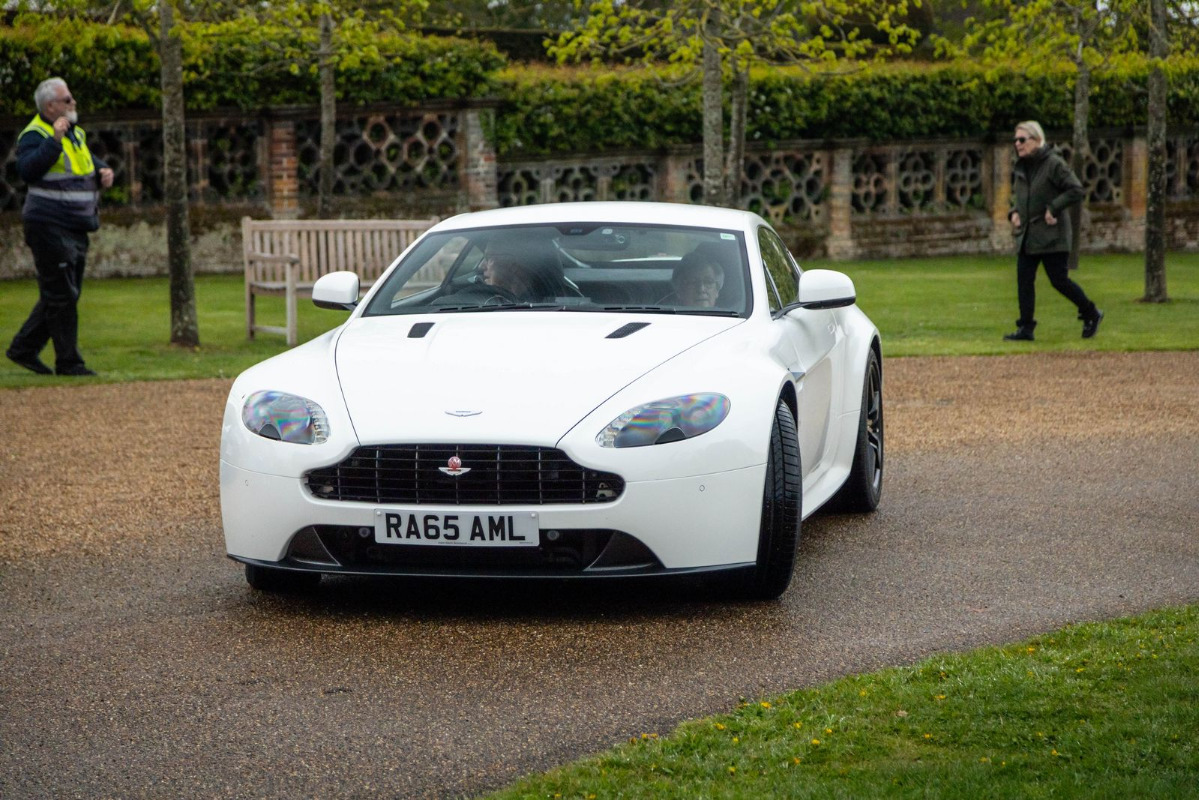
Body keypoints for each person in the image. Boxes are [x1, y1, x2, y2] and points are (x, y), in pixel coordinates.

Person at [6, 78, 113, 376]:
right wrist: (53, 140)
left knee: (64, 293)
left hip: (75, 225)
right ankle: (69, 362)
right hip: (48, 224)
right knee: (62, 294)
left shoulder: (74, 132)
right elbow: (27, 170)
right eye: (67, 99)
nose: (73, 102)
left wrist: (103, 169)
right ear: (50, 106)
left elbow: (84, 161)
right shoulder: (36, 135)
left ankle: (23, 349)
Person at [1005, 120, 1103, 341]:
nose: (1017, 144)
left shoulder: (1054, 164)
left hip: (1052, 235)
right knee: (1024, 280)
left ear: (1037, 140)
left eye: (1022, 139)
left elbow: (1076, 190)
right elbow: (1021, 197)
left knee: (1059, 280)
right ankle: (1026, 328)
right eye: (1015, 140)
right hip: (1029, 235)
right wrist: (1014, 212)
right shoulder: (1022, 166)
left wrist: (1054, 208)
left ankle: (1091, 312)